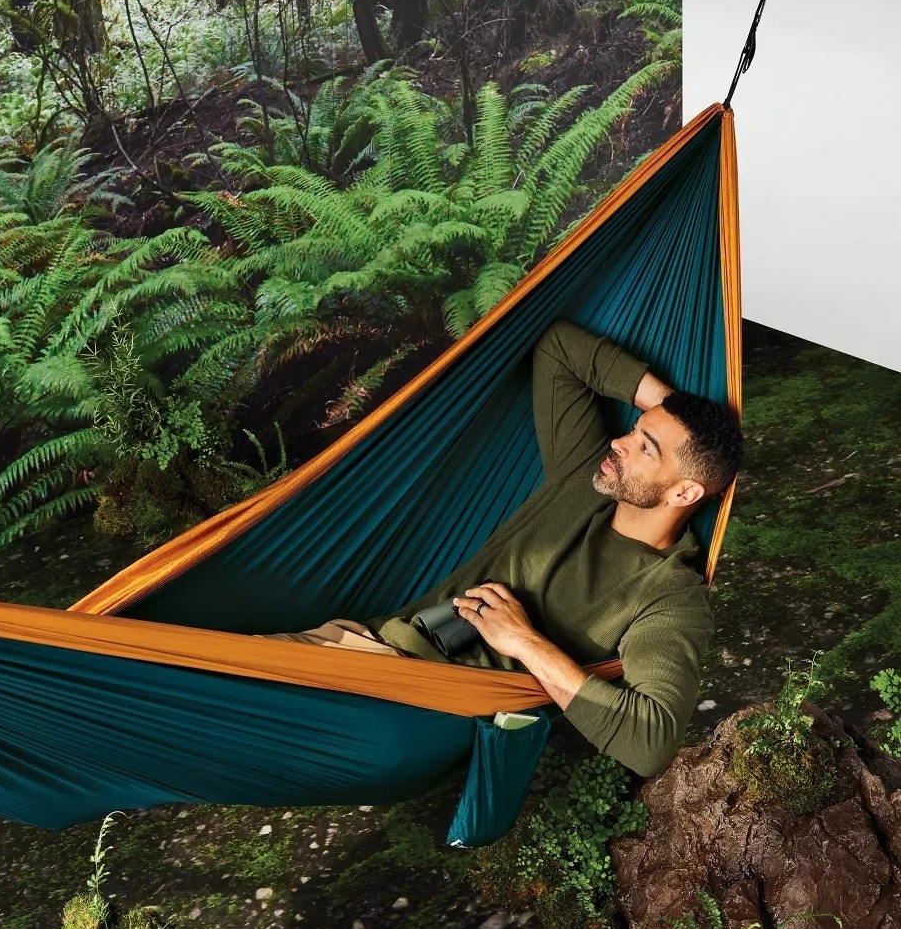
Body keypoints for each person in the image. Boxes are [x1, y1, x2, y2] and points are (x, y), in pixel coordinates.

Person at [271, 320, 744, 777]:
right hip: (368, 645)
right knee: (231, 678)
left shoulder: (669, 594)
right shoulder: (584, 475)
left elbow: (649, 745)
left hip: (418, 713)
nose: (620, 442)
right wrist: (672, 410)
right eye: (634, 429)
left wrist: (524, 642)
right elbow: (559, 349)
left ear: (684, 492)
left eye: (646, 448)